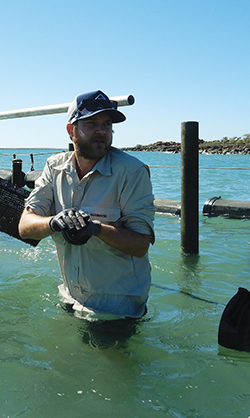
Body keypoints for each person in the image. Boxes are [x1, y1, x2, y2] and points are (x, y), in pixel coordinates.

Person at [18, 90, 155, 321]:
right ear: (71, 130)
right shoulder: (54, 166)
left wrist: (96, 229)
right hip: (70, 296)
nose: (101, 130)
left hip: (116, 309)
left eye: (107, 124)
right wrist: (54, 222)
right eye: (91, 123)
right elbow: (25, 227)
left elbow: (141, 244)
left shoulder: (132, 172)